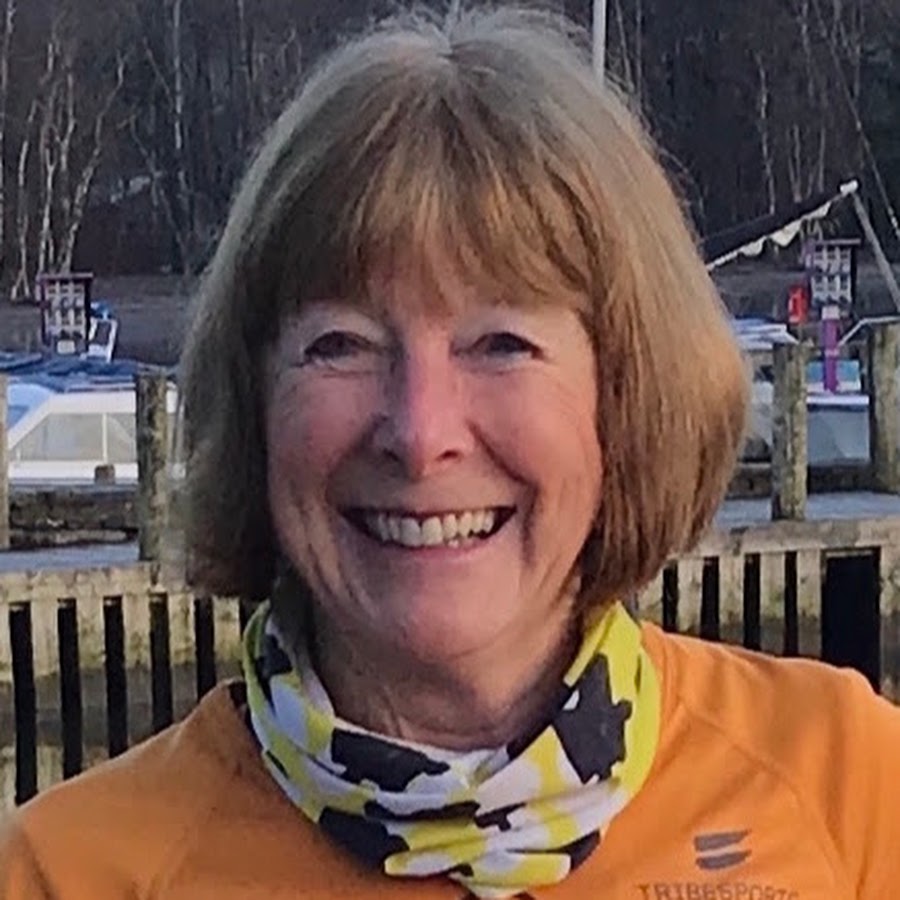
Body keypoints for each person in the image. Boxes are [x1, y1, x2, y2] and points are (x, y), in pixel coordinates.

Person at [2, 5, 899, 899]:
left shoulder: (852, 793)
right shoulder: (66, 873)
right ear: (254, 403)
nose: (421, 433)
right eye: (341, 345)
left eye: (502, 343)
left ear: (627, 393)